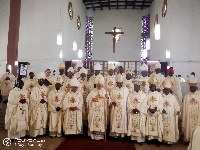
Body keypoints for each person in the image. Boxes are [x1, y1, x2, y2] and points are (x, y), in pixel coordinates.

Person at [86, 74, 110, 140]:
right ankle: (93, 136)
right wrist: (92, 99)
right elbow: (87, 99)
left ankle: (101, 136)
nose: (99, 86)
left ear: (102, 84)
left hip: (101, 111)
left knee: (101, 122)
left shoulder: (105, 91)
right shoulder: (92, 91)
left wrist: (107, 98)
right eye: (97, 84)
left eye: (100, 84)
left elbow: (109, 102)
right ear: (96, 84)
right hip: (94, 110)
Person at [127, 78, 147, 144]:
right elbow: (128, 102)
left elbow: (144, 103)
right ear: (134, 87)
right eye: (135, 86)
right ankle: (133, 138)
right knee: (133, 124)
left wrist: (138, 109)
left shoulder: (143, 95)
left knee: (140, 125)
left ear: (140, 86)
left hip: (140, 112)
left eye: (138, 86)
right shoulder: (130, 94)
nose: (137, 87)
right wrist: (133, 109)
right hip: (132, 111)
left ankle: (140, 139)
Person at [29, 72, 49, 137]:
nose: (42, 81)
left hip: (43, 106)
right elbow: (32, 98)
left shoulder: (46, 89)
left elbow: (48, 96)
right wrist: (40, 100)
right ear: (38, 80)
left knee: (43, 118)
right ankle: (35, 134)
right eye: (40, 80)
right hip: (37, 106)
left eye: (43, 80)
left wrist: (45, 100)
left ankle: (42, 133)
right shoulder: (35, 89)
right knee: (37, 119)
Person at [110, 74, 129, 138]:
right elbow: (110, 99)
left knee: (122, 120)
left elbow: (128, 99)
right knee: (115, 120)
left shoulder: (126, 90)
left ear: (122, 83)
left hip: (123, 108)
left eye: (120, 83)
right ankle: (115, 135)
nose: (119, 85)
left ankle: (122, 135)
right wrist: (112, 102)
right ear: (116, 83)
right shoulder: (113, 90)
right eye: (118, 83)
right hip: (115, 108)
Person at [146, 76, 164, 145]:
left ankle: (157, 140)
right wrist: (150, 109)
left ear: (155, 87)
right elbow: (145, 103)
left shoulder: (159, 94)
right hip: (149, 111)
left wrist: (156, 108)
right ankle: (150, 139)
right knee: (150, 125)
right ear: (149, 87)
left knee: (157, 126)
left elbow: (161, 102)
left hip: (157, 112)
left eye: (154, 86)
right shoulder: (147, 94)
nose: (152, 87)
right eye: (151, 86)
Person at [162, 79, 180, 144]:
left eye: (168, 89)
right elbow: (158, 104)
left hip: (171, 115)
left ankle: (169, 141)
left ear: (169, 90)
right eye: (165, 89)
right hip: (163, 115)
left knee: (170, 127)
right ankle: (163, 140)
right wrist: (161, 109)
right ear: (163, 89)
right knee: (163, 127)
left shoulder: (172, 97)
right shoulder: (161, 96)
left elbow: (176, 105)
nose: (166, 91)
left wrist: (177, 110)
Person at [182, 75, 200, 142]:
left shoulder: (199, 95)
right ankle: (189, 139)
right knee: (189, 127)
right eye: (191, 87)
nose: (192, 89)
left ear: (196, 87)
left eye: (193, 87)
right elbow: (184, 109)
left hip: (197, 115)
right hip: (189, 116)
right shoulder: (187, 96)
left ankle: (197, 140)